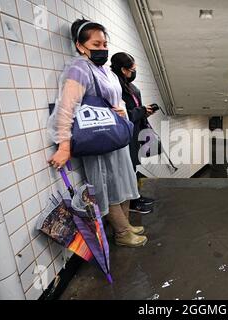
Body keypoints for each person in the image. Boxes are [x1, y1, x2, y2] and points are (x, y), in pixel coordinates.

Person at [47, 19, 148, 247]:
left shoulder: (104, 71)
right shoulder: (79, 69)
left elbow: (116, 99)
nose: (102, 48)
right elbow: (66, 106)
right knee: (109, 184)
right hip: (97, 138)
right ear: (81, 46)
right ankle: (122, 233)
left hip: (115, 135)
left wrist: (121, 109)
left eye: (105, 44)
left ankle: (126, 225)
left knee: (123, 181)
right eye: (96, 43)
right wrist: (64, 145)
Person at [110, 52, 157, 215]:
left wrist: (144, 112)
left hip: (135, 130)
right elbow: (123, 113)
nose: (134, 72)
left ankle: (135, 197)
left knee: (134, 165)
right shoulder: (115, 86)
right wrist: (141, 111)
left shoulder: (127, 85)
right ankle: (131, 202)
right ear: (123, 69)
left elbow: (132, 110)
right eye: (132, 69)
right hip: (125, 133)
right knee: (128, 167)